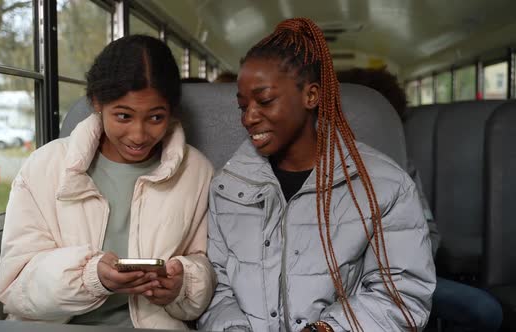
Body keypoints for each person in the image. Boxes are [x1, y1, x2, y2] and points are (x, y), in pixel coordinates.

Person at [198, 18, 435, 332]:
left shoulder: (385, 185)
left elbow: (402, 295)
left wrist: (328, 329)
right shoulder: (227, 186)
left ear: (311, 96)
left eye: (265, 101)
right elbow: (217, 288)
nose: (249, 118)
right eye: (243, 106)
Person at [0, 35, 216, 329]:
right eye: (123, 116)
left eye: (155, 117)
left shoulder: (197, 172)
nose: (138, 135)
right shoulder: (44, 167)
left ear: (171, 111)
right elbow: (15, 289)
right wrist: (91, 278)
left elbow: (207, 265)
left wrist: (183, 284)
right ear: (96, 103)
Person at [338, 67, 504, 332]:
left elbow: (430, 232)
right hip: (329, 284)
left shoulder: (403, 167)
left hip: (398, 276)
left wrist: (406, 260)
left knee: (485, 310)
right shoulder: (307, 163)